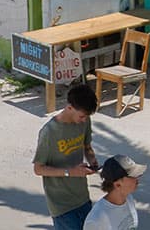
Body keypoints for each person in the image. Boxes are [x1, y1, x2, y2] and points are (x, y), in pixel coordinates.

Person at [33, 83, 100, 229]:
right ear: (69, 107)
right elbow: (38, 169)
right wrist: (70, 172)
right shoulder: (49, 132)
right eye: (81, 116)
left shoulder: (85, 120)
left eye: (86, 117)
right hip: (61, 206)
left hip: (83, 198)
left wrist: (93, 161)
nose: (84, 120)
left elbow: (86, 146)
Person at [83, 155, 146, 229]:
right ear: (118, 185)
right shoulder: (96, 221)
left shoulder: (129, 199)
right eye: (133, 176)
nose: (138, 178)